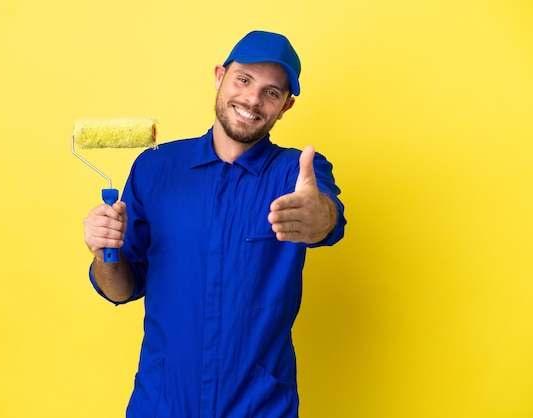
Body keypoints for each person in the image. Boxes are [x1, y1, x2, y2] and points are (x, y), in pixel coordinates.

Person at [83, 30, 346, 417]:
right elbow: (121, 290)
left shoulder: (297, 173)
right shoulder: (154, 168)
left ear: (285, 106)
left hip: (258, 405)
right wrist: (104, 252)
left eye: (272, 92)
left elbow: (328, 218)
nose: (253, 100)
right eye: (244, 80)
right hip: (162, 403)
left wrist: (318, 216)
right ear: (220, 76)